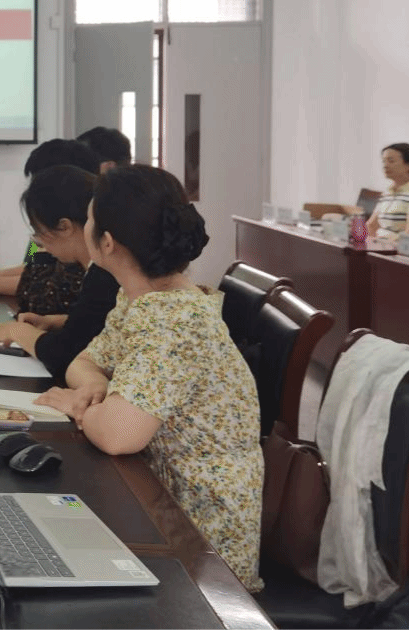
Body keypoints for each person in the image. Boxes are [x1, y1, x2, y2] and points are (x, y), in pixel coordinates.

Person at [34, 165, 263, 592]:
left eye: (90, 219)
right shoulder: (141, 297)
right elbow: (83, 362)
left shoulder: (173, 320)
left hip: (199, 538)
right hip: (155, 495)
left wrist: (77, 406)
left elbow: (119, 435)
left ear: (106, 243)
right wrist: (94, 387)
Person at [0, 166, 117, 385]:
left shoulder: (102, 272)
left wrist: (14, 327)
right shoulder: (81, 263)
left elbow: (37, 281)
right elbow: (30, 267)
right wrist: (57, 322)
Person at [0, 138, 97, 310]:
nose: (33, 189)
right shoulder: (46, 234)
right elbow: (32, 268)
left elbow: (48, 286)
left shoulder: (82, 249)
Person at [367, 142, 409, 238]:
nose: (385, 165)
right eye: (383, 161)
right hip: (378, 244)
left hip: (395, 246)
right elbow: (371, 225)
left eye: (391, 161)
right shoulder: (387, 192)